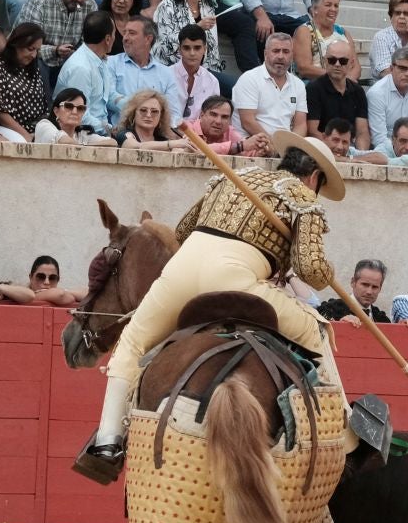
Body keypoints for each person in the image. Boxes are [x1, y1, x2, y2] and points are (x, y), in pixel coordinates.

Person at [76, 131, 352, 483]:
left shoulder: (234, 177)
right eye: (318, 185)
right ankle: (340, 435)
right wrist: (322, 268)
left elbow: (183, 229)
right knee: (317, 329)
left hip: (180, 273)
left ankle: (108, 442)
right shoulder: (302, 196)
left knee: (131, 341)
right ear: (314, 177)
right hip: (236, 277)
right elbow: (311, 269)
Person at [317, 259, 390, 323]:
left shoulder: (382, 319)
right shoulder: (330, 309)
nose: (369, 292)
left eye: (374, 287)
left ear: (380, 288)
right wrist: (339, 324)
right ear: (353, 282)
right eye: (365, 284)